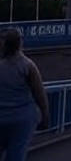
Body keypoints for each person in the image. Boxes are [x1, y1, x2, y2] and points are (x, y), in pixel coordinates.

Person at [0, 28, 50, 161]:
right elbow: (40, 94)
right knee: (16, 155)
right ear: (19, 43)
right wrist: (45, 116)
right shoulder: (28, 66)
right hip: (21, 119)